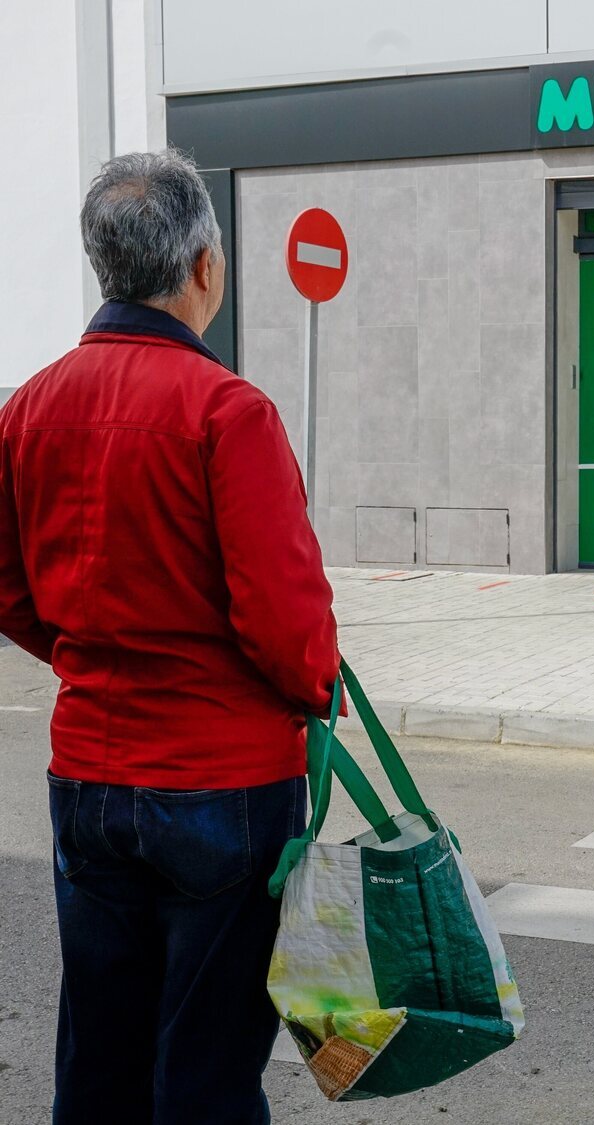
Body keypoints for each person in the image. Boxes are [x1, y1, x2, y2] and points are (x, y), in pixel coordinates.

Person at [0, 149, 340, 1124]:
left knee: (99, 1057)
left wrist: (81, 655)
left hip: (91, 776)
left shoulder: (26, 408)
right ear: (204, 268)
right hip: (222, 786)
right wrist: (318, 688)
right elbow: (284, 620)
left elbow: (9, 587)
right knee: (206, 1068)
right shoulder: (227, 412)